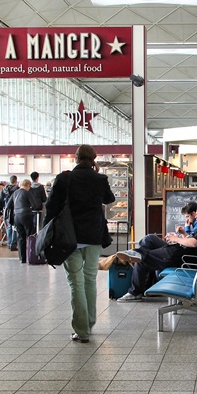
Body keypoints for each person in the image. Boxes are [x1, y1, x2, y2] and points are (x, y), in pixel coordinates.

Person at [45, 144, 115, 343]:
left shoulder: (64, 178)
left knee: (76, 283)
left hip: (70, 237)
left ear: (76, 158)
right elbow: (109, 199)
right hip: (93, 236)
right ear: (93, 159)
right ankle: (90, 322)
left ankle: (82, 330)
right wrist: (98, 174)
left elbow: (51, 208)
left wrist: (46, 234)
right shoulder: (99, 179)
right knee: (90, 279)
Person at [118, 204, 197, 301]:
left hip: (177, 256)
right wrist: (181, 235)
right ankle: (137, 255)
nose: (196, 217)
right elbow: (194, 243)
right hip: (179, 253)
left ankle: (135, 292)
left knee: (142, 260)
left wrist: (175, 239)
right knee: (150, 240)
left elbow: (193, 243)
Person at [11, 179, 36, 263]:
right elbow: (35, 204)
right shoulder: (27, 193)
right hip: (26, 215)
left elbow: (9, 205)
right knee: (29, 237)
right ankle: (30, 256)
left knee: (21, 238)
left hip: (16, 216)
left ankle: (22, 258)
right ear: (28, 185)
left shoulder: (15, 193)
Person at [0, 176, 20, 250]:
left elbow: (0, 200)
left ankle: (9, 242)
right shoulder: (17, 189)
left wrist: (0, 210)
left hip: (6, 209)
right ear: (16, 181)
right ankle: (13, 244)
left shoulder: (4, 189)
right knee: (15, 226)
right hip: (15, 209)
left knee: (9, 226)